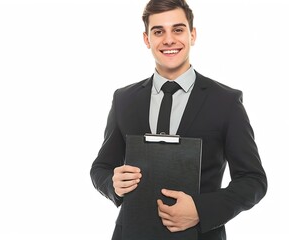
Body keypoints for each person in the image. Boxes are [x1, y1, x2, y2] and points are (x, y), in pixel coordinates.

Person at [90, 0, 267, 239]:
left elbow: (253, 180)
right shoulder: (124, 99)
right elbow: (100, 167)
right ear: (146, 39)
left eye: (178, 29)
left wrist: (201, 210)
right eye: (158, 31)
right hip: (132, 233)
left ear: (192, 35)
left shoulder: (226, 102)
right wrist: (112, 183)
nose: (169, 39)